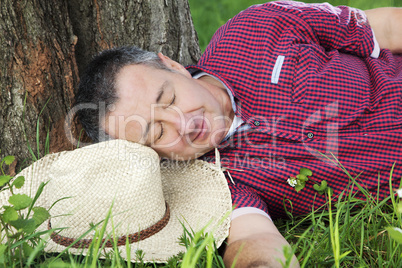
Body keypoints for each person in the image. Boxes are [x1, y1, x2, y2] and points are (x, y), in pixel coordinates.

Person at [75, 1, 402, 267]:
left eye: (169, 99)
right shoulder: (209, 182)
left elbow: (384, 28)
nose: (182, 123)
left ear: (173, 66)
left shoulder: (255, 28)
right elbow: (252, 237)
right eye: (159, 132)